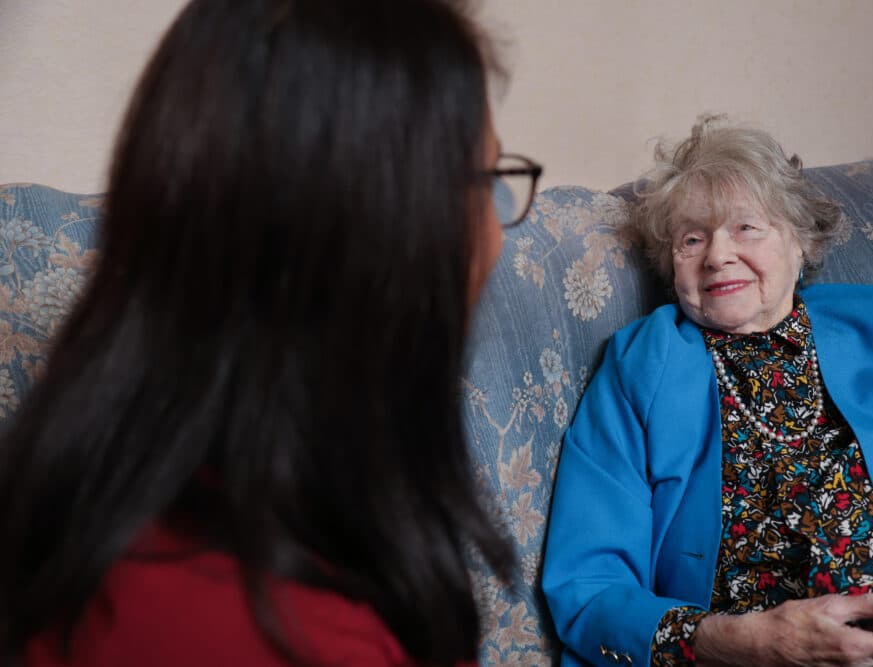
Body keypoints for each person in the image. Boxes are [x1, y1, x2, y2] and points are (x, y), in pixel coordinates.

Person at [0, 1, 544, 665]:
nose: (498, 234)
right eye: (487, 184)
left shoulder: (159, 505)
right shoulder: (277, 633)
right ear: (387, 245)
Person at [542, 116, 873, 667]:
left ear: (799, 242)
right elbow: (588, 586)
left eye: (745, 228)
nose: (717, 255)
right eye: (693, 238)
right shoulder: (638, 368)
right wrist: (744, 643)